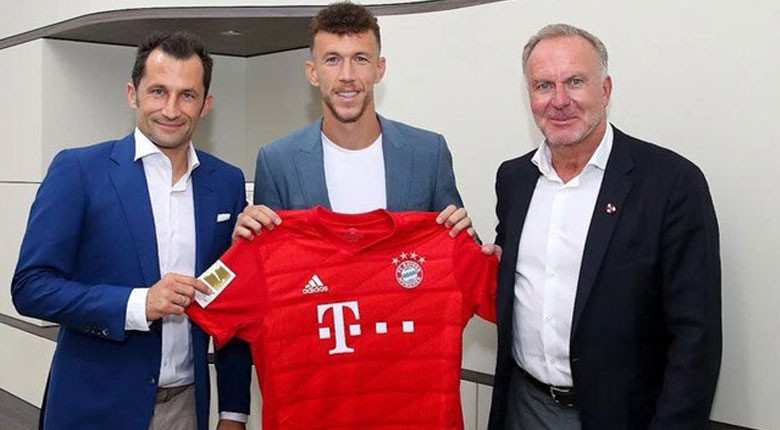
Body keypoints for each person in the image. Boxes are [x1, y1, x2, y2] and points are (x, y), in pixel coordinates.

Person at [216, 2, 475, 428]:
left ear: (380, 68)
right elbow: (268, 279)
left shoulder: (427, 153)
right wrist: (240, 248)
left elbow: (456, 260)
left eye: (361, 59)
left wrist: (467, 237)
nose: (348, 75)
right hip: (321, 399)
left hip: (406, 397)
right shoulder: (278, 161)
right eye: (333, 60)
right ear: (312, 72)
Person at [485, 24, 722, 429]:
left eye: (575, 82)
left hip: (624, 416)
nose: (559, 100)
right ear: (529, 96)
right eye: (544, 86)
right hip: (523, 406)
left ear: (606, 89)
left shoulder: (672, 184)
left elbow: (696, 337)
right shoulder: (514, 179)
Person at [12, 31, 247, 430]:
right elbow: (31, 287)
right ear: (132, 94)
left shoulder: (226, 182)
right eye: (158, 91)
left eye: (187, 95)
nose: (171, 109)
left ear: (206, 104)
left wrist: (233, 412)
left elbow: (233, 303)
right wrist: (138, 304)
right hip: (93, 407)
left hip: (187, 408)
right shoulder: (79, 170)